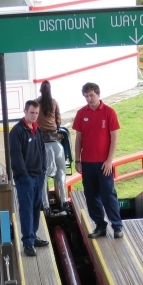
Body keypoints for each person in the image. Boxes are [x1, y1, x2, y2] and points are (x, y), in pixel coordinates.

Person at [73, 82, 122, 239]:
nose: (89, 98)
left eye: (91, 95)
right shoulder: (81, 113)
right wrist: (78, 160)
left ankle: (117, 226)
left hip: (104, 164)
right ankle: (100, 225)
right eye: (86, 96)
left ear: (98, 94)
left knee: (108, 194)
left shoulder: (109, 112)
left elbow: (114, 138)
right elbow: (78, 139)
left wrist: (109, 160)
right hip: (87, 163)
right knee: (91, 195)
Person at [9, 99, 48, 257]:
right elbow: (16, 157)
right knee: (26, 209)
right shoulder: (17, 131)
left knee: (35, 207)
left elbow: (42, 151)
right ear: (24, 111)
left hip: (38, 176)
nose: (34, 116)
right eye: (32, 112)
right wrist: (24, 176)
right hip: (25, 178)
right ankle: (27, 243)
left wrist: (43, 170)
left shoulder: (37, 130)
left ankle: (33, 236)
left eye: (36, 113)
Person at [36, 80, 68, 211]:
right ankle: (64, 200)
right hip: (54, 140)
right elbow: (58, 120)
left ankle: (45, 204)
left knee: (42, 175)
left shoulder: (36, 102)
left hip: (42, 141)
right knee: (61, 172)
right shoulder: (54, 102)